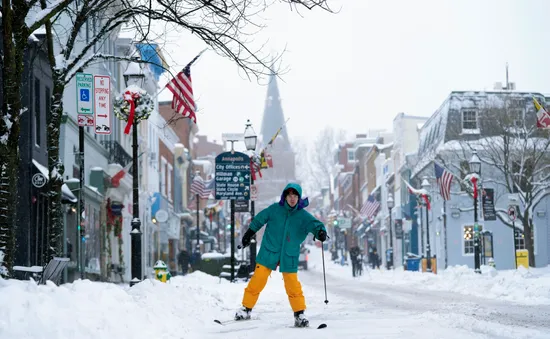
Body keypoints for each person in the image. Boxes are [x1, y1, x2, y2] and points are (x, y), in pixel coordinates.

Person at [234, 183, 327, 327]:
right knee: (257, 280)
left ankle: (299, 314)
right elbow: (259, 219)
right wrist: (249, 234)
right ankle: (246, 308)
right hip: (268, 251)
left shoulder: (303, 216)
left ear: (298, 198)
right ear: (285, 196)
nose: (292, 198)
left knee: (292, 285)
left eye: (295, 196)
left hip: (288, 255)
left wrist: (320, 232)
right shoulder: (274, 210)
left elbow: (315, 225)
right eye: (290, 195)